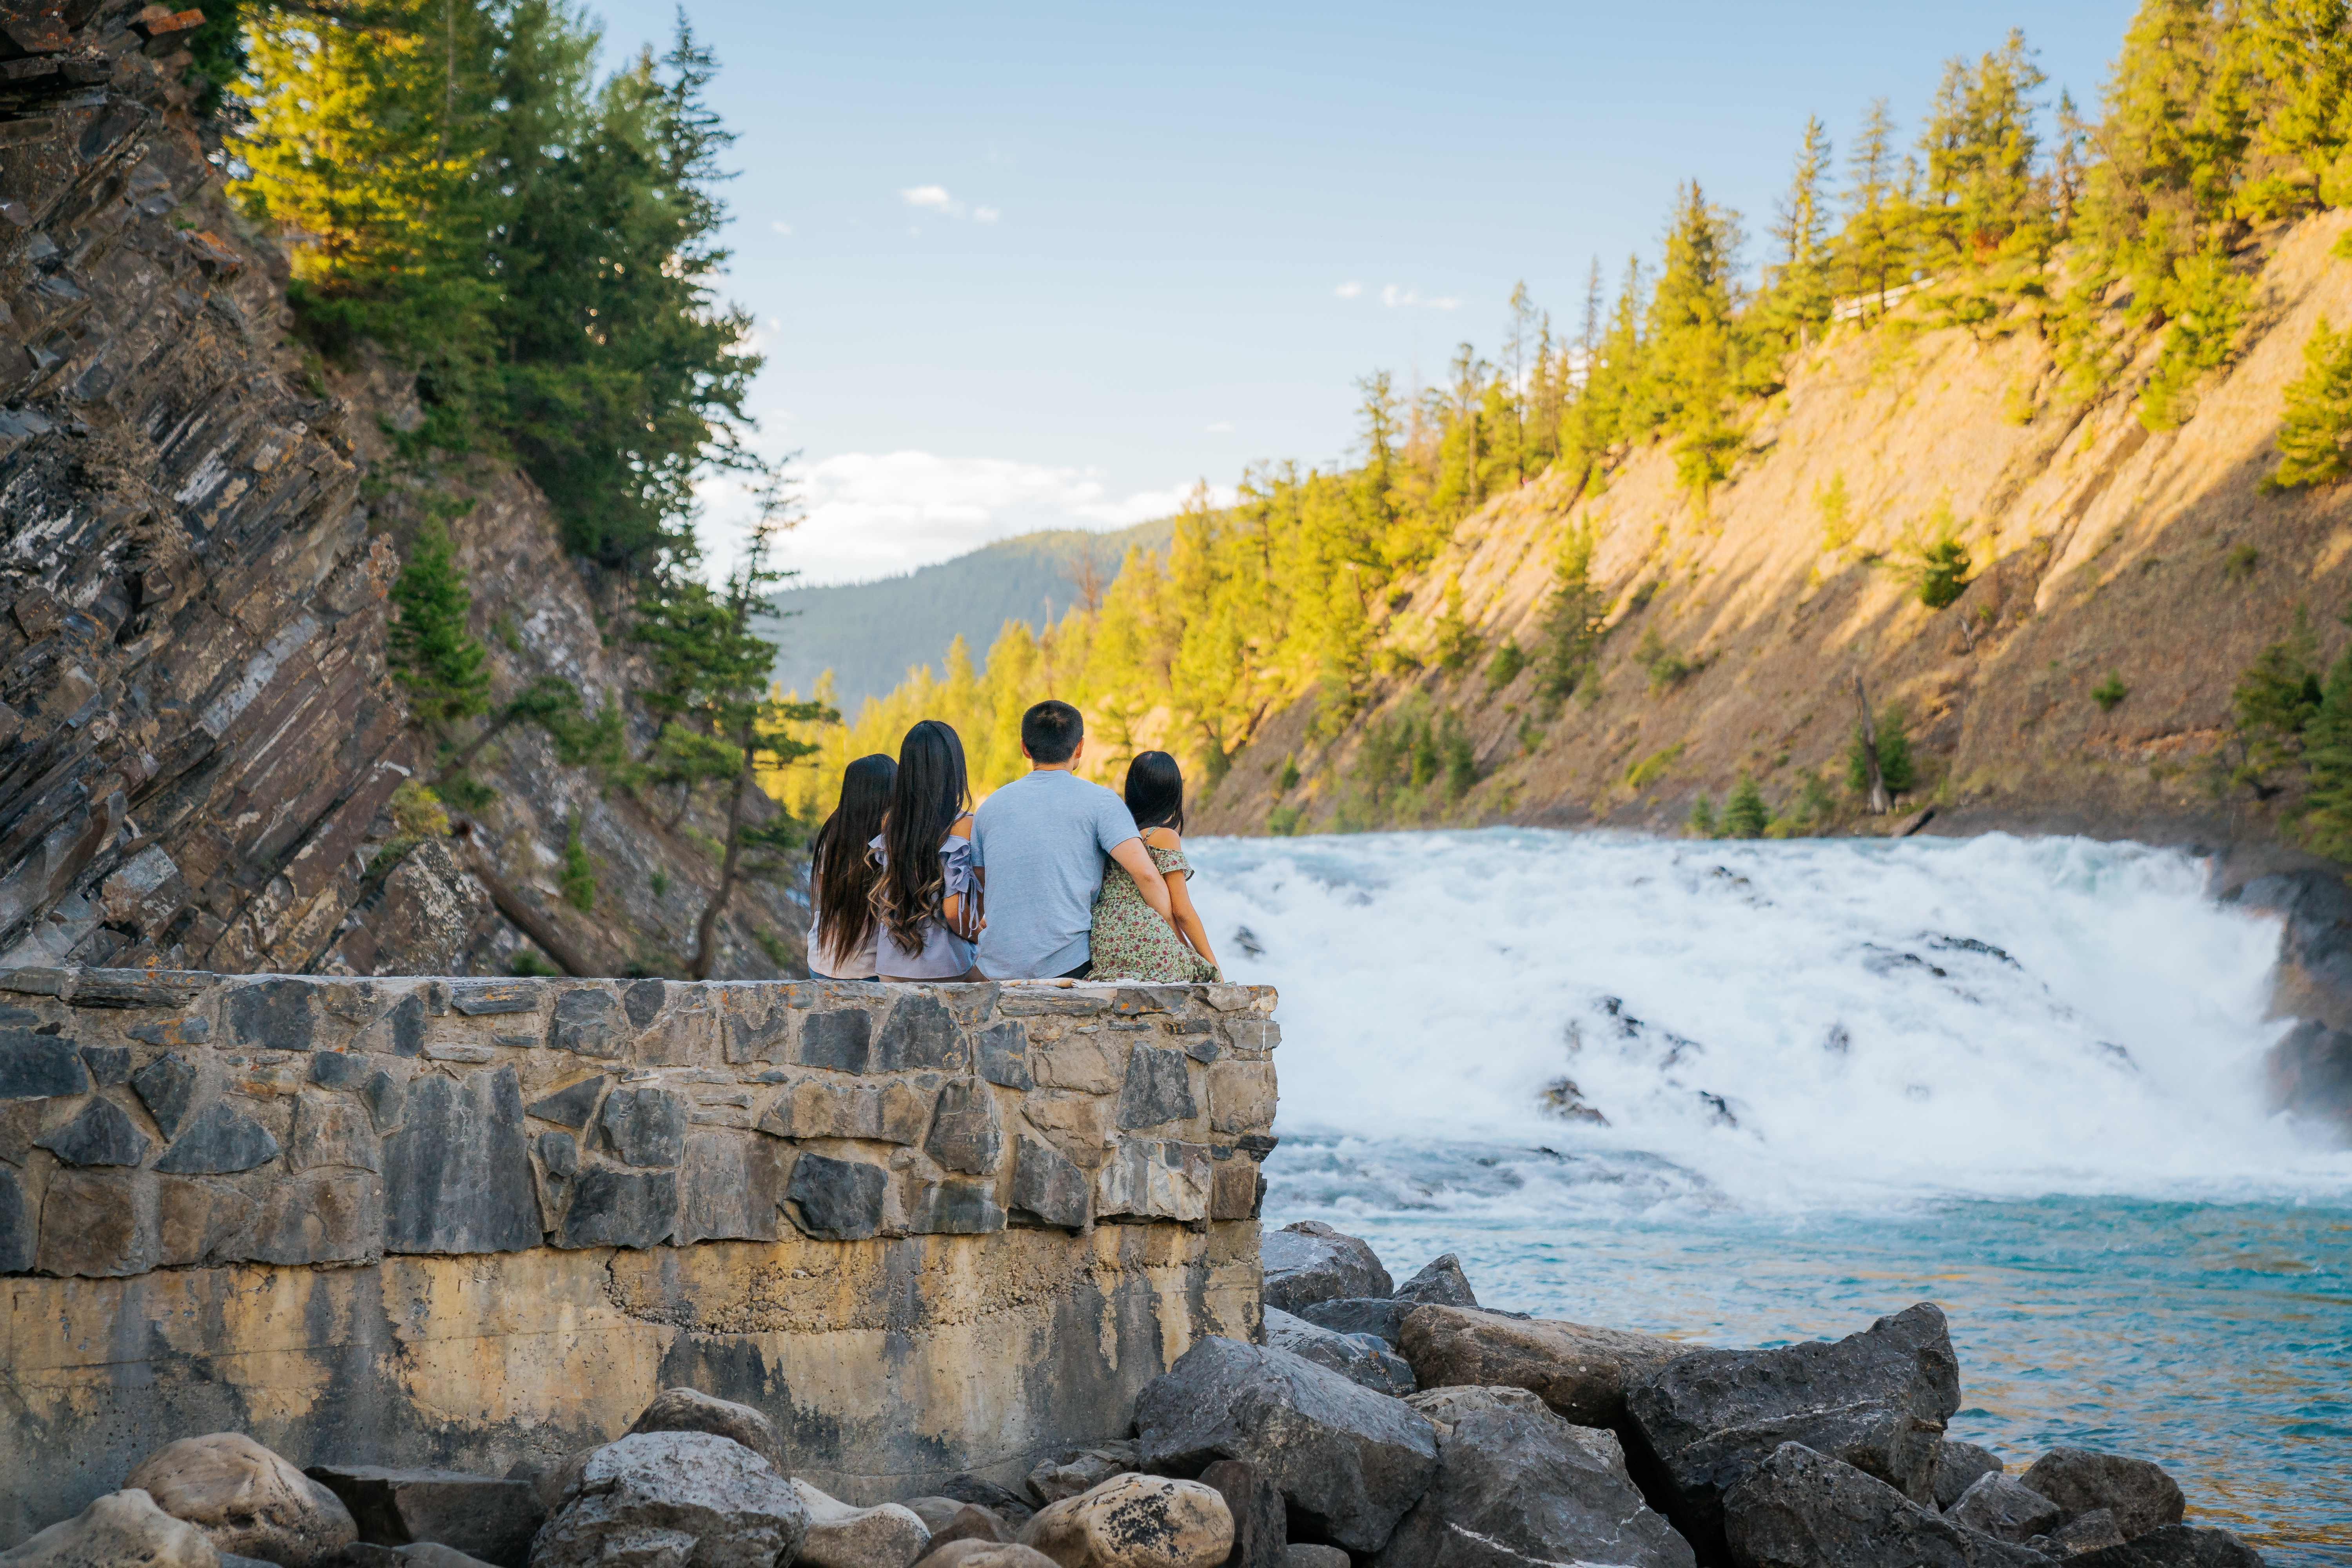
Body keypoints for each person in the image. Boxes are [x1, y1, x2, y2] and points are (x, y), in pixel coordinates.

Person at [973, 700, 1171, 980]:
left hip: (995, 967)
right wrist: (1172, 932)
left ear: (1025, 748)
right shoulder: (1101, 802)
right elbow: (1147, 876)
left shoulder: (989, 808)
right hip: (1069, 966)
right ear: (1080, 748)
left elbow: (983, 884)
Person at [1088, 751, 1220, 982]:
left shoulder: (1114, 837)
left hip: (1103, 941)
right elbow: (1182, 911)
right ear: (1172, 795)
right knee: (1201, 973)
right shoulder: (1163, 837)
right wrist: (1213, 965)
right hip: (1147, 935)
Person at [870, 720, 982, 982]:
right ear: (954, 769)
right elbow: (954, 913)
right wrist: (981, 936)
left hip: (890, 969)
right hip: (945, 970)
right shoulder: (963, 825)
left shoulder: (890, 823)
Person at [805, 753, 895, 980]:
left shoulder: (832, 834)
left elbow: (826, 896)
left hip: (821, 963)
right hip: (869, 970)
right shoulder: (890, 843)